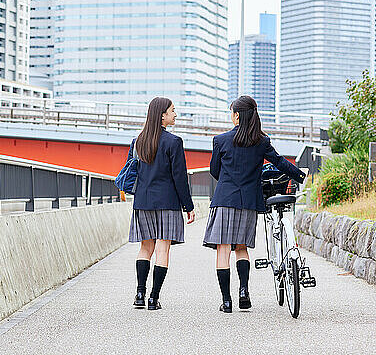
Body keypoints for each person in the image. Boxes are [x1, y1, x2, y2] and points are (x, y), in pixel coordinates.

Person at [203, 95, 306, 313]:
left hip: (224, 200)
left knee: (223, 250)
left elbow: (214, 170)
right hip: (248, 202)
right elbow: (279, 161)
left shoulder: (220, 140)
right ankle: (244, 292)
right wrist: (300, 175)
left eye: (231, 112)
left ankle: (227, 301)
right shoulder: (261, 141)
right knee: (241, 248)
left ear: (237, 115)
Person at [127, 97, 196, 310]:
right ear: (162, 115)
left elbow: (133, 171)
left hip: (143, 201)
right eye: (172, 111)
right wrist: (188, 206)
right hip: (167, 202)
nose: (175, 114)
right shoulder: (173, 142)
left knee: (145, 248)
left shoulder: (138, 140)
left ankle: (139, 294)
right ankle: (153, 298)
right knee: (162, 250)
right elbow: (179, 177)